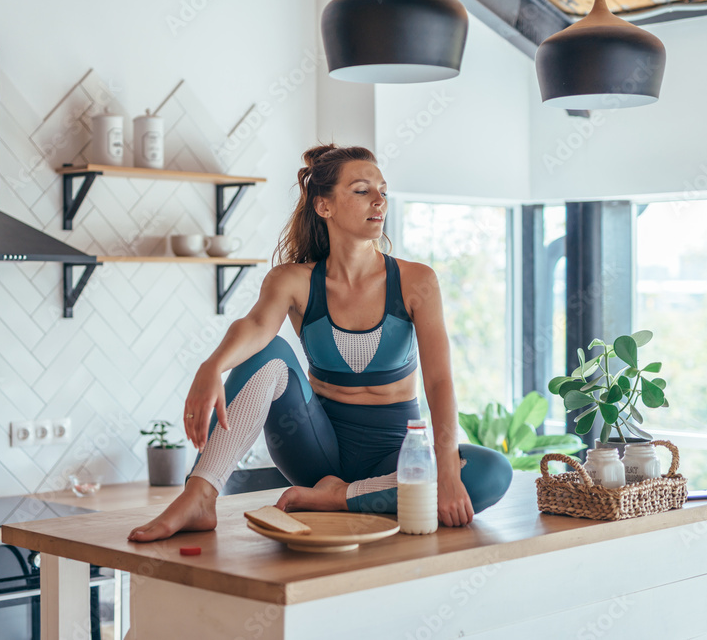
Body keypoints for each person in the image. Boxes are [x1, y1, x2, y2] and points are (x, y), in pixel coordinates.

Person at [128, 144, 512, 542]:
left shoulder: (417, 281)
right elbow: (257, 325)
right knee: (271, 351)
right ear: (324, 206)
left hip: (393, 461)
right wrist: (211, 367)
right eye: (362, 190)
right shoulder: (293, 280)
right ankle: (200, 495)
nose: (379, 200)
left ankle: (339, 498)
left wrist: (447, 468)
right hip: (315, 452)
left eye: (383, 190)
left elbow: (439, 382)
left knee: (492, 471)